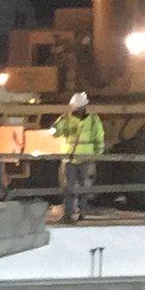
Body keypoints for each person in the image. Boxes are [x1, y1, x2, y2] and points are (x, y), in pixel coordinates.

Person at [52, 90, 106, 223]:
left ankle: (82, 213)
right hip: (70, 157)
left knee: (84, 187)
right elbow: (57, 130)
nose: (76, 110)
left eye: (78, 108)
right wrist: (53, 130)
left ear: (84, 107)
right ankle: (68, 214)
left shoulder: (93, 120)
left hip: (85, 158)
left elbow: (99, 137)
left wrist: (98, 154)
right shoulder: (66, 118)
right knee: (69, 187)